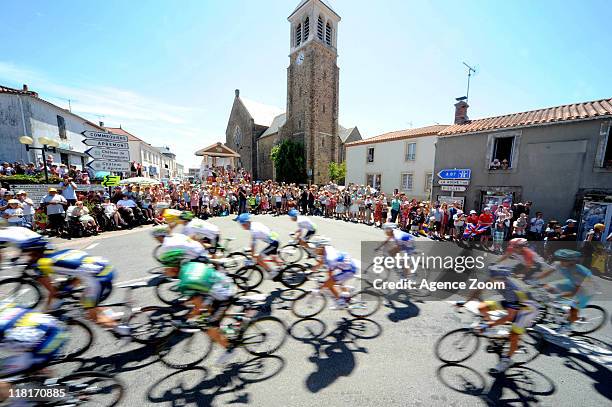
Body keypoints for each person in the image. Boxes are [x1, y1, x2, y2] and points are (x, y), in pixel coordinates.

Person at [0, 232, 127, 333]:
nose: (25, 256)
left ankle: (124, 331)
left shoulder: (40, 265)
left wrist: (45, 314)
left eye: (26, 253)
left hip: (98, 280)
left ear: (33, 252)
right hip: (104, 268)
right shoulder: (63, 252)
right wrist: (69, 286)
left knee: (93, 315)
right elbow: (80, 270)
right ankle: (112, 315)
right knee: (85, 300)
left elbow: (53, 292)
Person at [460, 264, 538, 374]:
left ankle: (506, 360)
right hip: (514, 302)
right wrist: (464, 303)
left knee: (514, 334)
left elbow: (510, 316)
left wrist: (488, 325)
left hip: (528, 308)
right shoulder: (493, 279)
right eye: (491, 279)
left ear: (503, 279)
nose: (491, 282)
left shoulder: (511, 290)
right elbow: (477, 291)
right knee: (482, 308)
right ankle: (496, 335)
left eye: (495, 280)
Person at [175, 261, 237, 364]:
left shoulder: (188, 282)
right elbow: (198, 302)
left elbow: (197, 308)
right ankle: (229, 329)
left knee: (210, 327)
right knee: (209, 314)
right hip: (222, 286)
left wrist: (186, 317)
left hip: (225, 294)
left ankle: (230, 349)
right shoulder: (189, 271)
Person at [532, 249, 594, 334]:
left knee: (573, 307)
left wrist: (558, 295)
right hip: (573, 282)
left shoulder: (576, 272)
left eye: (563, 260)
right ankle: (557, 310)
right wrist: (535, 279)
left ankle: (567, 326)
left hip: (587, 288)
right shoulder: (559, 264)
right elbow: (547, 273)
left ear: (571, 262)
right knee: (548, 287)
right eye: (560, 259)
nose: (560, 261)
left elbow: (574, 292)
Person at [0, 302, 67, 381]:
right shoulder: (4, 305)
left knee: (3, 375)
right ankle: (37, 368)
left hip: (48, 343)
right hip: (51, 325)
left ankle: (53, 383)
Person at [308, 237, 358, 309]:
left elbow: (330, 278)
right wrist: (310, 271)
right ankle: (346, 298)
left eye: (316, 247)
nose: (314, 249)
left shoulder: (330, 258)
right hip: (344, 265)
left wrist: (319, 289)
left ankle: (341, 302)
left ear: (321, 247)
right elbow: (321, 262)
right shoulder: (326, 250)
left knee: (330, 283)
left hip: (349, 270)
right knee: (334, 282)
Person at [234, 213, 281, 280]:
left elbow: (253, 246)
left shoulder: (254, 230)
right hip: (274, 238)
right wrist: (251, 251)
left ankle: (272, 272)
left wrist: (252, 256)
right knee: (273, 258)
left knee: (259, 259)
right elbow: (252, 241)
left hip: (273, 243)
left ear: (245, 223)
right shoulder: (254, 224)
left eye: (242, 225)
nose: (241, 226)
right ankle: (283, 269)